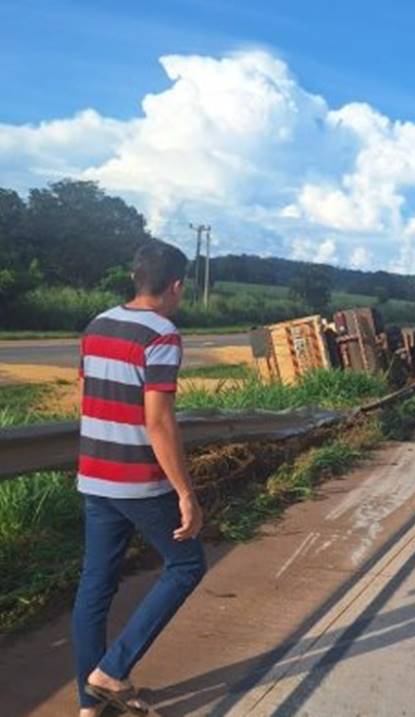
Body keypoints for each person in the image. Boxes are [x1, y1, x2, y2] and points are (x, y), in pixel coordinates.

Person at [73, 242, 206, 716]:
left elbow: (86, 394)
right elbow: (159, 422)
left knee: (96, 585)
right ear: (175, 286)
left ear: (135, 278)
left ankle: (90, 706)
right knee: (187, 564)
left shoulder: (97, 325)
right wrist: (186, 493)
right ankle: (112, 671)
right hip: (138, 482)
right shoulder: (162, 335)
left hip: (94, 476)